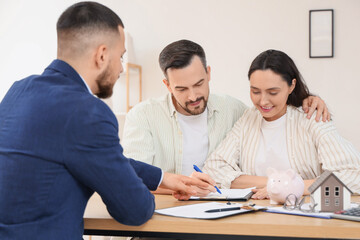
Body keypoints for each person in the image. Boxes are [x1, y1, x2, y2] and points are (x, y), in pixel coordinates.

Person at [0, 2, 213, 239]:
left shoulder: (17, 92)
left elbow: (89, 154)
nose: (122, 68)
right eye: (120, 56)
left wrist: (163, 178)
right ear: (102, 55)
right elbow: (135, 211)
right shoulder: (87, 111)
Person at [122, 40, 330, 196]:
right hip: (165, 213)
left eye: (198, 84)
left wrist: (308, 99)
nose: (193, 96)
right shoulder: (143, 116)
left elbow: (271, 108)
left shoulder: (233, 109)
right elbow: (133, 179)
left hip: (222, 212)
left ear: (209, 73)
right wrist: (187, 188)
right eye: (182, 89)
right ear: (167, 85)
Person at [203, 49, 360, 199]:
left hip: (304, 217)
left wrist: (293, 187)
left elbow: (352, 175)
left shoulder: (312, 118)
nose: (263, 101)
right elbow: (213, 170)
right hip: (257, 215)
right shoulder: (249, 118)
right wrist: (276, 184)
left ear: (291, 86)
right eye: (255, 91)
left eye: (273, 92)